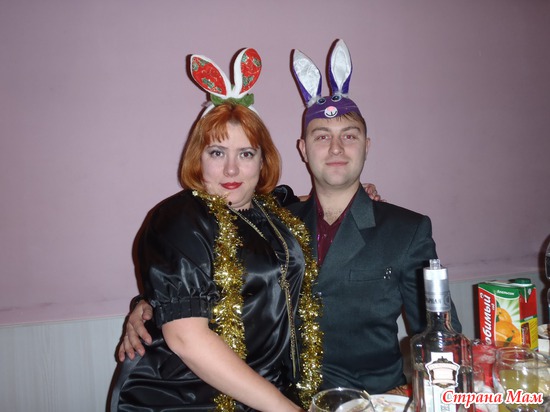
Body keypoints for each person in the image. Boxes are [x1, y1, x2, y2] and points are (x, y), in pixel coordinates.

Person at [119, 40, 461, 395]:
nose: (336, 148)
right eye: (322, 137)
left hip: (371, 400)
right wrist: (148, 305)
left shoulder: (406, 230)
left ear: (366, 146)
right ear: (303, 149)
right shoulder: (276, 220)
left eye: (349, 136)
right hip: (281, 397)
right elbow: (196, 271)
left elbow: (440, 337)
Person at [109, 48, 323, 412]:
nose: (231, 170)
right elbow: (187, 340)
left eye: (246, 154)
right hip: (184, 400)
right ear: (198, 157)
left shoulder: (271, 212)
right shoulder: (178, 219)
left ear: (263, 160)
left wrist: (359, 193)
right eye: (217, 152)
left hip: (265, 395)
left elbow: (305, 201)